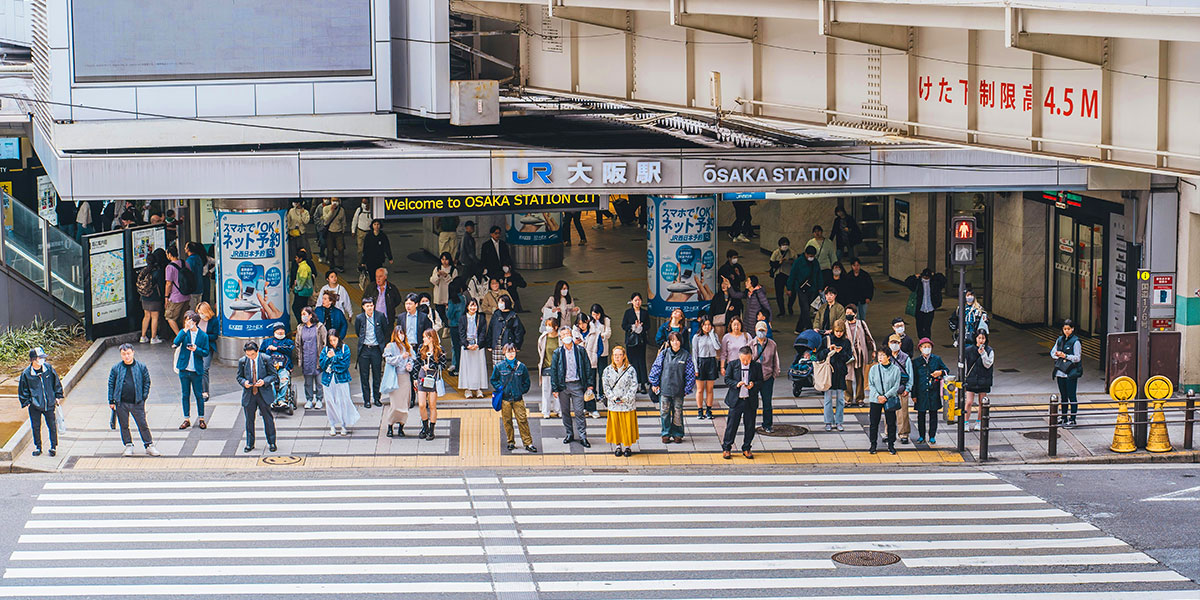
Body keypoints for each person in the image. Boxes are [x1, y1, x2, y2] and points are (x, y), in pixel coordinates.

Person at [107, 344, 160, 457]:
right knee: (124, 425)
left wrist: (143, 397)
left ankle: (149, 445)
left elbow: (147, 382)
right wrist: (111, 400)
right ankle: (128, 445)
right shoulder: (116, 368)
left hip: (137, 402)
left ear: (133, 353)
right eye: (124, 354)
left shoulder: (141, 367)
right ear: (121, 355)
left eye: (128, 353)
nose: (126, 356)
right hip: (121, 402)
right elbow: (111, 384)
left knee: (142, 424)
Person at [649, 332, 695, 445]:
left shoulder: (686, 355)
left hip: (679, 390)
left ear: (681, 341)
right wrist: (654, 383)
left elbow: (690, 374)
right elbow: (656, 368)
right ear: (669, 342)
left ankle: (677, 434)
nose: (675, 342)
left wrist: (687, 389)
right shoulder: (664, 354)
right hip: (664, 389)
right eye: (673, 340)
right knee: (664, 412)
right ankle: (666, 433)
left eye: (677, 340)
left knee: (677, 412)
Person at [551, 326, 593, 447]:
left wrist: (589, 384)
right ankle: (569, 434)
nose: (566, 336)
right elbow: (554, 371)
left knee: (579, 411)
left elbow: (587, 367)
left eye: (567, 333)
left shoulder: (580, 350)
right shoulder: (557, 352)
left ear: (572, 334)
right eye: (563, 335)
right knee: (565, 412)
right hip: (563, 386)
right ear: (560, 338)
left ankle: (583, 436)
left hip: (577, 384)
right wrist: (555, 388)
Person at [17, 347, 63, 457]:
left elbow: (56, 381)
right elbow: (23, 389)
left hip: (49, 403)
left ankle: (53, 446)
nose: (42, 360)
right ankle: (38, 447)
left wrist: (58, 395)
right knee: (36, 426)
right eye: (40, 358)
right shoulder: (27, 374)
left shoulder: (48, 368)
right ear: (33, 359)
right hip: (34, 405)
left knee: (52, 425)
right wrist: (27, 402)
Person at [492, 344, 537, 453]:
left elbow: (527, 382)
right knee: (507, 421)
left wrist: (521, 390)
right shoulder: (499, 367)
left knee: (522, 420)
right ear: (504, 353)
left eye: (512, 352)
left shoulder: (522, 367)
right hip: (505, 399)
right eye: (508, 352)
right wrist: (500, 387)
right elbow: (493, 380)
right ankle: (510, 441)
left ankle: (528, 443)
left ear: (516, 352)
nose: (511, 354)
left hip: (518, 398)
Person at [721, 345, 763, 459]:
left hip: (750, 400)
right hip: (736, 400)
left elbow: (761, 381)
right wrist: (736, 384)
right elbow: (727, 379)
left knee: (750, 426)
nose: (745, 362)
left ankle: (747, 447)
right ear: (739, 357)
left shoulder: (756, 366)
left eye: (748, 359)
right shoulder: (732, 364)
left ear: (751, 357)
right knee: (731, 425)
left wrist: (753, 385)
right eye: (743, 359)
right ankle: (727, 448)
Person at [237, 341, 278, 452]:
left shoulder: (266, 359)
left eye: (252, 355)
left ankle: (272, 442)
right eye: (248, 355)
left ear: (257, 351)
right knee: (249, 420)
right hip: (249, 393)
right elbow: (239, 377)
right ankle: (250, 443)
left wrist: (264, 381)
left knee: (268, 418)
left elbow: (274, 375)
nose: (250, 357)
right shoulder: (242, 361)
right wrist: (244, 382)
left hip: (263, 393)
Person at [172, 311, 209, 430]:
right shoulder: (185, 333)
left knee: (199, 394)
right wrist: (184, 330)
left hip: (196, 370)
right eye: (187, 320)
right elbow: (176, 342)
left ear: (196, 322)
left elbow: (206, 352)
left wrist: (196, 349)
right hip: (184, 368)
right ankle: (186, 418)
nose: (189, 323)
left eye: (191, 321)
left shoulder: (203, 336)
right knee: (185, 394)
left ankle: (201, 418)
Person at [319, 330, 359, 437]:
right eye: (330, 340)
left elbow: (345, 365)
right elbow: (322, 364)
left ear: (338, 338)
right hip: (328, 380)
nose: (332, 342)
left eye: (334, 340)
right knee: (330, 402)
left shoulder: (344, 348)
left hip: (341, 379)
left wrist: (333, 358)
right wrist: (328, 358)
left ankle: (343, 425)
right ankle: (332, 424)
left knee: (343, 401)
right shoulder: (326, 349)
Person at [603, 345, 640, 456]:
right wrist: (613, 397)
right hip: (614, 403)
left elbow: (634, 386)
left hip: (627, 403)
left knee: (627, 425)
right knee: (616, 425)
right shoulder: (607, 370)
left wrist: (626, 398)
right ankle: (618, 446)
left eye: (620, 355)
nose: (617, 357)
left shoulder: (631, 370)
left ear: (624, 356)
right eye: (615, 355)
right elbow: (605, 386)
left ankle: (627, 447)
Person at [818, 319, 852, 431]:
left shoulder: (846, 342)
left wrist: (841, 352)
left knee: (840, 399)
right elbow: (817, 356)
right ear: (833, 330)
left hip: (840, 373)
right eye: (837, 331)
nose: (838, 333)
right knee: (827, 399)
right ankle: (828, 421)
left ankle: (839, 421)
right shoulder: (826, 340)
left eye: (841, 331)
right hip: (829, 373)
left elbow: (848, 357)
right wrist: (829, 350)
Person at [912, 338, 948, 444]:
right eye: (924, 347)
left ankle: (932, 435)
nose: (926, 349)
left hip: (933, 392)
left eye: (928, 347)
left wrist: (940, 372)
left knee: (933, 414)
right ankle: (921, 435)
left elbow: (946, 370)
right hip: (921, 392)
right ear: (920, 348)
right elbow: (914, 379)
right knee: (921, 415)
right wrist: (914, 395)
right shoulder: (916, 362)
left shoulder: (937, 359)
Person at [414, 329, 449, 440]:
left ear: (431, 338)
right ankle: (425, 427)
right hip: (422, 377)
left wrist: (431, 366)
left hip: (433, 378)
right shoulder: (421, 348)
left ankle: (431, 429)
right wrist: (415, 377)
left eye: (425, 337)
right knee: (421, 404)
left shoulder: (439, 350)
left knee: (432, 405)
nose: (423, 339)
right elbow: (417, 363)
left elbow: (443, 366)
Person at [355, 297, 388, 409]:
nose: (370, 308)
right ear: (363, 307)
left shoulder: (380, 316)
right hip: (364, 349)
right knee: (364, 376)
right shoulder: (359, 318)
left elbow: (385, 330)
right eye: (367, 306)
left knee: (377, 374)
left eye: (371, 305)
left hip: (376, 349)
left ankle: (377, 398)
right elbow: (357, 331)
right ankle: (366, 400)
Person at [867, 348, 902, 455]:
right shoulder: (874, 369)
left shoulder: (895, 370)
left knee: (891, 423)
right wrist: (878, 396)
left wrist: (885, 396)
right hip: (875, 399)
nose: (880, 358)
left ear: (888, 357)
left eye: (882, 355)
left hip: (889, 399)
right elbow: (871, 384)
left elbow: (896, 386)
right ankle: (873, 444)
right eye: (879, 355)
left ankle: (891, 445)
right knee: (874, 423)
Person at [381, 328, 414, 437]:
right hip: (395, 378)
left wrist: (409, 365)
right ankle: (390, 426)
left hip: (405, 377)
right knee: (395, 405)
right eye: (399, 334)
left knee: (405, 404)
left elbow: (412, 359)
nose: (401, 336)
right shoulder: (390, 346)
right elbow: (389, 360)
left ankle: (401, 426)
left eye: (402, 333)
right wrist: (401, 357)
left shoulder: (408, 347)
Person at [843, 304, 876, 407]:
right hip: (848, 355)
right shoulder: (843, 325)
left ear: (855, 314)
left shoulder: (861, 323)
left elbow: (869, 337)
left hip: (860, 353)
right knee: (848, 377)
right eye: (847, 313)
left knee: (860, 376)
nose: (848, 315)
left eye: (850, 313)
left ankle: (860, 398)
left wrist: (874, 350)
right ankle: (848, 399)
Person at [295, 306, 327, 410]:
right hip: (306, 359)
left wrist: (324, 356)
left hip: (317, 358)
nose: (302, 317)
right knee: (308, 382)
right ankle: (309, 399)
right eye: (302, 315)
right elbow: (297, 344)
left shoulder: (319, 327)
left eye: (304, 314)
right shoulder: (300, 327)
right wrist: (299, 358)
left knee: (319, 382)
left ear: (310, 315)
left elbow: (324, 342)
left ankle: (319, 399)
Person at [1052, 320, 1084, 426]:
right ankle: (1064, 417)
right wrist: (1057, 354)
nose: (1066, 331)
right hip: (1060, 372)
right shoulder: (1060, 339)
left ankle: (1073, 419)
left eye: (1068, 329)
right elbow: (1052, 353)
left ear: (1073, 329)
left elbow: (1077, 358)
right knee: (1063, 396)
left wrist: (1065, 356)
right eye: (1065, 329)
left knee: (1072, 396)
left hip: (1071, 373)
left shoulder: (1076, 341)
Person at [751, 321, 780, 433]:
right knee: (752, 403)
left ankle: (767, 424)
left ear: (766, 331)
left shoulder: (772, 344)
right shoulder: (751, 344)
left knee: (767, 402)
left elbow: (775, 360)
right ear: (755, 330)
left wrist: (774, 374)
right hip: (754, 378)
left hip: (767, 377)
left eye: (763, 330)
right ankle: (750, 424)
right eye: (759, 330)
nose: (761, 333)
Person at [886, 332, 915, 445]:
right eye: (892, 342)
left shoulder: (905, 357)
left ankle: (904, 434)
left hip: (901, 389)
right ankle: (889, 433)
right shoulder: (886, 356)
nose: (894, 345)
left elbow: (910, 374)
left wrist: (908, 388)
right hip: (888, 390)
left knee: (903, 413)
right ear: (888, 344)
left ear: (900, 344)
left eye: (896, 342)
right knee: (889, 412)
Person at [963, 330, 995, 432]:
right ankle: (965, 422)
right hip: (971, 379)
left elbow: (988, 364)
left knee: (982, 402)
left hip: (983, 379)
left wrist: (983, 354)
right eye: (979, 338)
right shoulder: (968, 350)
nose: (981, 340)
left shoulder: (989, 351)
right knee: (969, 402)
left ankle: (979, 421)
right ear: (975, 338)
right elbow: (964, 364)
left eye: (983, 338)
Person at [458, 298, 490, 398]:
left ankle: (478, 389)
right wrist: (466, 344)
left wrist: (478, 344)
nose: (473, 307)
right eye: (471, 305)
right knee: (467, 367)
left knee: (479, 367)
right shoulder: (463, 318)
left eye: (475, 305)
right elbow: (461, 332)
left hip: (477, 346)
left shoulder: (481, 317)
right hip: (466, 346)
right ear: (467, 307)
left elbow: (483, 332)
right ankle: (468, 389)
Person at [787, 245, 823, 333]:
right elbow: (792, 275)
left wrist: (820, 287)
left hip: (813, 289)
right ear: (806, 254)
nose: (811, 257)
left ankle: (799, 328)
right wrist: (789, 288)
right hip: (801, 289)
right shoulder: (798, 262)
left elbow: (819, 275)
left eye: (813, 256)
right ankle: (809, 329)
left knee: (805, 309)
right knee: (805, 308)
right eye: (810, 256)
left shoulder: (815, 262)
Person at [904, 268, 947, 340]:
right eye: (924, 277)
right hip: (920, 308)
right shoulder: (918, 283)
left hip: (930, 308)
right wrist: (915, 276)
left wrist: (935, 275)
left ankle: (927, 340)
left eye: (928, 277)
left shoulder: (934, 283)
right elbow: (907, 282)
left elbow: (943, 280)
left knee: (927, 326)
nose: (926, 279)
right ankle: (921, 339)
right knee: (919, 326)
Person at [691, 316, 720, 420]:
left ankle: (708, 410)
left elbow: (717, 347)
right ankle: (699, 410)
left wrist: (712, 334)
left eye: (709, 325)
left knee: (710, 389)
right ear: (701, 325)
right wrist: (695, 369)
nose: (707, 327)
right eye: (705, 325)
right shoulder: (696, 337)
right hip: (701, 362)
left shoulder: (714, 335)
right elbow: (694, 353)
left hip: (711, 361)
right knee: (700, 389)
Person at [621, 293, 650, 393]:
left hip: (641, 340)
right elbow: (624, 325)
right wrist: (633, 326)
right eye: (635, 300)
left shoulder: (644, 313)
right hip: (631, 340)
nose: (637, 302)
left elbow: (648, 325)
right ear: (632, 301)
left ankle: (642, 384)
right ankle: (633, 384)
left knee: (641, 361)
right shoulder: (628, 312)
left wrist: (641, 327)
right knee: (631, 362)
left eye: (639, 300)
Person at [137, 249, 167, 344]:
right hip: (154, 297)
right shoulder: (157, 272)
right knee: (155, 317)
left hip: (144, 297)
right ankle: (153, 338)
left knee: (146, 316)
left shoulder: (144, 271)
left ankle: (143, 336)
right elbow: (161, 285)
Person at [586, 305, 612, 410]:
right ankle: (593, 393)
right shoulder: (589, 321)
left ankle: (602, 393)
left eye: (597, 314)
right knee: (592, 373)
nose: (595, 316)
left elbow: (608, 333)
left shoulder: (606, 320)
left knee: (602, 372)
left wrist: (600, 335)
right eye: (593, 314)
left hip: (602, 350)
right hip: (592, 350)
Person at [489, 296, 526, 368]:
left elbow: (519, 331)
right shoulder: (496, 314)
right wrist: (489, 344)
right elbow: (491, 329)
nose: (500, 304)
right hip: (496, 344)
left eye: (502, 302)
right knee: (497, 366)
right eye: (499, 302)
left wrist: (517, 345)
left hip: (509, 344)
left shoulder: (513, 316)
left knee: (509, 366)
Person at [536, 316, 562, 419]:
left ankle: (558, 410)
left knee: (558, 390)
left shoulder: (560, 337)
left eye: (550, 326)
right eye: (546, 325)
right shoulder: (543, 337)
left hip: (558, 368)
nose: (547, 328)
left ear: (556, 327)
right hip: (546, 367)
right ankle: (546, 411)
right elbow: (540, 351)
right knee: (546, 390)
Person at [163, 244, 192, 336]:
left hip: (175, 297)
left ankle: (180, 336)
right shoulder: (185, 263)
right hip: (186, 295)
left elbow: (168, 283)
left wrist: (166, 297)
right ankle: (187, 334)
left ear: (170, 254)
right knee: (184, 318)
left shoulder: (169, 267)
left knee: (170, 317)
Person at [195, 302, 220, 402]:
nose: (201, 314)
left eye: (202, 312)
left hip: (207, 347)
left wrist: (203, 336)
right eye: (199, 312)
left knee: (204, 368)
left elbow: (215, 336)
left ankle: (205, 391)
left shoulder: (213, 321)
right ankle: (199, 389)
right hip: (196, 347)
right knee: (197, 369)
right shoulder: (196, 320)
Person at [359, 219, 393, 288]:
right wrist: (363, 261)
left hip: (379, 259)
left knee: (378, 274)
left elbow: (386, 247)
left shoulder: (382, 236)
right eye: (375, 224)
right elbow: (365, 249)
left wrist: (390, 257)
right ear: (372, 226)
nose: (376, 226)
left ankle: (378, 286)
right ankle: (373, 287)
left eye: (378, 225)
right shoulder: (368, 236)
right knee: (371, 275)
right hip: (370, 259)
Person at [769, 237, 796, 316]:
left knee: (793, 293)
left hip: (789, 275)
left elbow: (796, 263)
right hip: (779, 274)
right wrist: (779, 262)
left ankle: (790, 306)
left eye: (786, 244)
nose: (785, 246)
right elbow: (771, 263)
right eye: (783, 244)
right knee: (779, 294)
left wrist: (791, 262)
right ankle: (782, 310)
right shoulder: (776, 253)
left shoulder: (792, 253)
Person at [429, 252, 458, 323]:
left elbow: (454, 284)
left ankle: (447, 329)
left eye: (446, 259)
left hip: (448, 297)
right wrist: (438, 275)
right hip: (439, 297)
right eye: (442, 259)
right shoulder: (437, 268)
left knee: (448, 316)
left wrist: (446, 276)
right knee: (440, 315)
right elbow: (433, 281)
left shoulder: (453, 270)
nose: (444, 262)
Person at [446, 283, 466, 374]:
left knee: (456, 348)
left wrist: (446, 309)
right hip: (463, 325)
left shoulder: (451, 301)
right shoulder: (463, 299)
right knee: (463, 346)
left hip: (454, 326)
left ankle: (458, 367)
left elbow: (449, 315)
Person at [322, 198, 347, 271]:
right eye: (333, 200)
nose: (335, 202)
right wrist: (331, 211)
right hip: (330, 231)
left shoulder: (341, 210)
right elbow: (325, 221)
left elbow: (343, 221)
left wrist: (343, 230)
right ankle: (331, 264)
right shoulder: (326, 209)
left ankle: (340, 265)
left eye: (336, 201)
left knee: (341, 249)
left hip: (339, 232)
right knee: (330, 249)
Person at [292, 249, 315, 326]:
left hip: (302, 292)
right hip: (304, 292)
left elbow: (302, 282)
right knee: (302, 308)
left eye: (296, 257)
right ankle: (303, 322)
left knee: (296, 307)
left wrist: (296, 289)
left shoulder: (303, 268)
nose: (295, 259)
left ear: (300, 258)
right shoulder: (304, 266)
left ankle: (301, 323)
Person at [184, 242, 206, 309]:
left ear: (188, 249)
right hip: (200, 287)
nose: (184, 248)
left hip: (192, 289)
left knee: (192, 310)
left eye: (186, 247)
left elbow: (188, 275)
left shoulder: (189, 260)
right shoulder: (199, 258)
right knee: (198, 309)